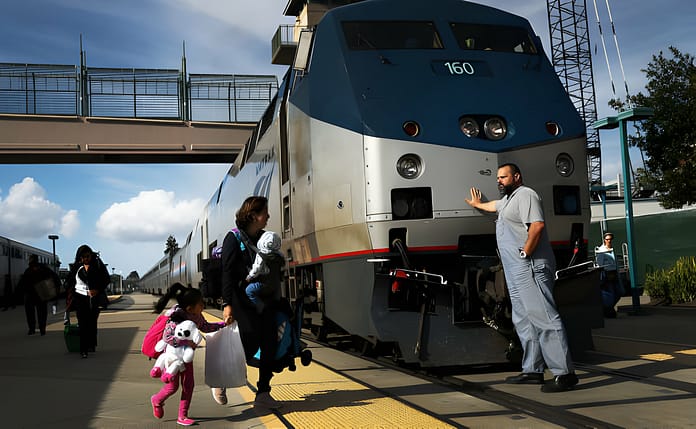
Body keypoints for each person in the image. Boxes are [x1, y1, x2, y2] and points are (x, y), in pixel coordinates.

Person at [465, 163, 579, 393]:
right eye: (497, 178)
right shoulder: (508, 200)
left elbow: (536, 226)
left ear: (517, 176)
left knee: (544, 316)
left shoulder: (526, 195)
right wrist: (478, 204)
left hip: (530, 266)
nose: (499, 181)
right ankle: (533, 370)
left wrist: (525, 252)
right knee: (524, 319)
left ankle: (565, 373)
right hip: (514, 269)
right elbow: (493, 206)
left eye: (503, 177)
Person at [215, 196, 283, 409]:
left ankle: (263, 393)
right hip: (241, 300)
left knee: (270, 342)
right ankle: (221, 379)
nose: (268, 216)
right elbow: (226, 274)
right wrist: (227, 305)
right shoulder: (232, 239)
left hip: (264, 299)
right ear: (253, 215)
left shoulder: (264, 238)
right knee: (247, 343)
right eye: (265, 212)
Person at [150, 283, 229, 426]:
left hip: (187, 357)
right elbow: (166, 337)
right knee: (172, 388)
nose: (203, 306)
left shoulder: (197, 316)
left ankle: (183, 416)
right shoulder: (176, 317)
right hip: (173, 358)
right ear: (189, 308)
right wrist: (185, 343)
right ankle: (157, 400)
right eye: (201, 304)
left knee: (189, 385)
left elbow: (206, 327)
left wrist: (223, 324)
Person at [64, 245, 110, 358]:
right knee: (83, 324)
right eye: (83, 257)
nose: (85, 258)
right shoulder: (77, 267)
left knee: (92, 323)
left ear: (91, 255)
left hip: (94, 298)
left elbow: (106, 279)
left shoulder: (97, 264)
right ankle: (84, 349)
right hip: (80, 298)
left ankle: (91, 344)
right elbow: (70, 282)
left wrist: (97, 290)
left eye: (87, 256)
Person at [17, 254, 60, 335]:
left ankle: (32, 329)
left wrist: (18, 293)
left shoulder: (28, 270)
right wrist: (56, 288)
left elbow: (22, 283)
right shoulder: (44, 268)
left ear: (31, 260)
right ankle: (42, 329)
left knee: (30, 313)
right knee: (42, 313)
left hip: (30, 294)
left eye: (29, 259)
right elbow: (55, 276)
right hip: (41, 293)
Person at [245, 230, 284, 311]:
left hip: (263, 284)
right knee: (277, 299)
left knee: (249, 291)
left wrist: (250, 276)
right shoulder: (280, 256)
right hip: (275, 284)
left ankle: (261, 306)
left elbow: (257, 268)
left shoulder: (261, 255)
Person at [595, 232, 624, 318]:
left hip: (614, 274)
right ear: (604, 240)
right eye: (607, 239)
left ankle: (608, 309)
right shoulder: (601, 250)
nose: (609, 241)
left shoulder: (612, 249)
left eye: (610, 239)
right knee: (610, 294)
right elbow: (599, 264)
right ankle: (608, 310)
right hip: (607, 275)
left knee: (620, 292)